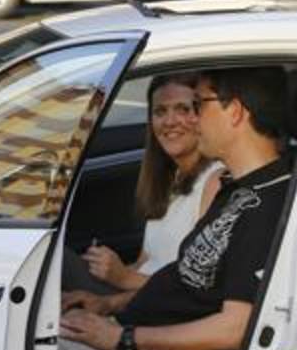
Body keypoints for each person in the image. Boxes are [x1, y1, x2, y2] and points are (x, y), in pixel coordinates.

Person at [59, 67, 293, 350]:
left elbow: (234, 329)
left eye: (199, 105)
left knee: (24, 348)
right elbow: (184, 281)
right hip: (136, 335)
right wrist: (108, 307)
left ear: (235, 111)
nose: (193, 119)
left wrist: (121, 339)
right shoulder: (237, 189)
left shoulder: (267, 205)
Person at [65, 73, 224, 295]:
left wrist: (123, 278)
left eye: (183, 109)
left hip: (166, 315)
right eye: (160, 111)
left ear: (203, 116)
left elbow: (198, 286)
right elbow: (146, 262)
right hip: (141, 300)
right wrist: (106, 288)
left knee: (59, 264)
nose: (169, 122)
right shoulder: (170, 179)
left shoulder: (215, 182)